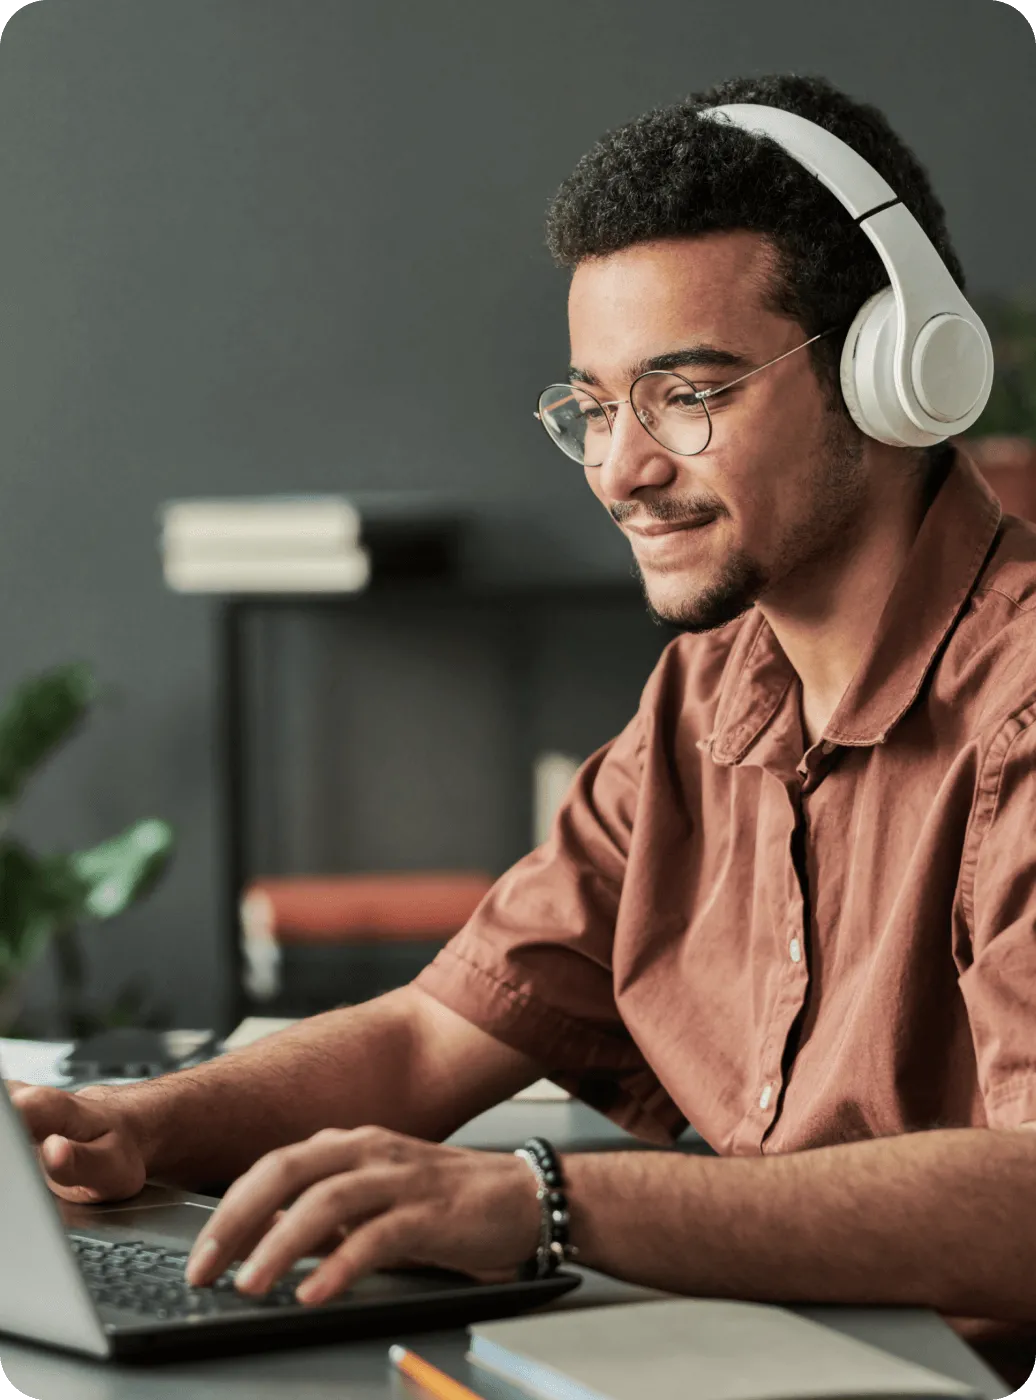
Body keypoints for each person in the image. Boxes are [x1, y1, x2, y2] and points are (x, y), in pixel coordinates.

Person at [8, 72, 1036, 1390]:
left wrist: (545, 1201)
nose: (622, 468)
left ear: (898, 371)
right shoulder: (704, 700)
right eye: (594, 407)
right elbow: (437, 1037)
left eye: (688, 392)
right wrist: (125, 1127)